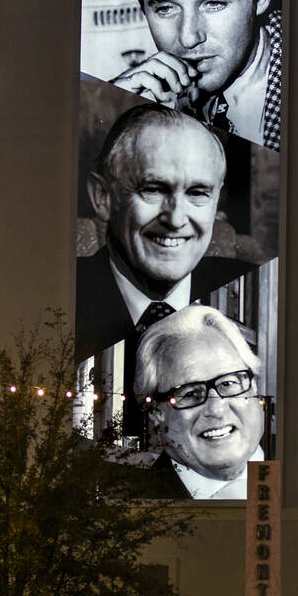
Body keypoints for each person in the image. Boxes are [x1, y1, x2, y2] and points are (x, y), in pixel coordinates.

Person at [76, 104, 254, 437]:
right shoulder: (62, 302)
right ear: (102, 197)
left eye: (198, 193)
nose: (175, 219)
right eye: (154, 189)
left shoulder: (250, 290)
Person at [110, 0, 283, 152]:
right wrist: (107, 113)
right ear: (142, 4)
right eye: (165, 9)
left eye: (214, 4)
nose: (188, 39)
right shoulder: (151, 93)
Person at [134, 305, 265, 500]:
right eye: (190, 394)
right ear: (155, 411)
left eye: (228, 383)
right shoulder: (129, 508)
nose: (216, 409)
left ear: (254, 386)